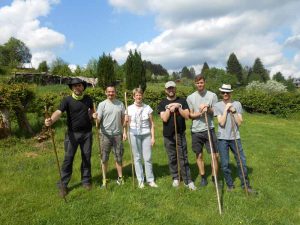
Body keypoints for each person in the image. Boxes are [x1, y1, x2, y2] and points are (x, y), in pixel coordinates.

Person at [45, 78, 94, 197]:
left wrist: (94, 115)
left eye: (79, 85)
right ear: (72, 88)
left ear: (83, 87)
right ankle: (63, 185)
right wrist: (51, 120)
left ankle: (86, 181)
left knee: (86, 158)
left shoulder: (88, 99)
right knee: (68, 159)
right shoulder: (67, 100)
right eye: (75, 86)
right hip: (72, 134)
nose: (77, 87)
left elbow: (91, 112)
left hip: (87, 134)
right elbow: (58, 112)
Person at [214, 84, 254, 192]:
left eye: (227, 92)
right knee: (225, 164)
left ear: (231, 93)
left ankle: (245, 185)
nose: (225, 94)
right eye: (223, 92)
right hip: (222, 138)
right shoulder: (217, 105)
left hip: (235, 137)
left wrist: (234, 111)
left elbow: (239, 122)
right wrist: (226, 110)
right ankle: (230, 185)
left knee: (241, 161)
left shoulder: (237, 104)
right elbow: (221, 123)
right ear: (221, 93)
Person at [157, 81, 196, 190]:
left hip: (180, 133)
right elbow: (164, 118)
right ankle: (175, 178)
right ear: (165, 90)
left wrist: (178, 108)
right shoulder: (162, 103)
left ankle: (188, 180)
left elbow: (187, 116)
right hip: (168, 135)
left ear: (175, 89)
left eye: (172, 88)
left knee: (183, 156)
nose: (171, 90)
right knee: (172, 157)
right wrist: (170, 108)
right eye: (169, 89)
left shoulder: (182, 101)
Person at [186, 74, 219, 187]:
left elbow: (215, 112)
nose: (200, 84)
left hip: (209, 129)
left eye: (201, 82)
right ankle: (203, 177)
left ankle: (215, 178)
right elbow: (190, 115)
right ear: (195, 84)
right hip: (196, 131)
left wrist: (208, 109)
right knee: (199, 156)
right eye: (198, 83)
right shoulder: (190, 97)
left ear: (204, 83)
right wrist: (200, 113)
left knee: (214, 155)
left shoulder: (212, 95)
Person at [93, 84, 126, 188]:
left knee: (118, 156)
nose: (111, 93)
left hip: (117, 135)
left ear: (115, 92)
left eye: (113, 91)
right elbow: (98, 121)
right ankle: (104, 179)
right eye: (109, 91)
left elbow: (123, 120)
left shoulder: (120, 104)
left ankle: (120, 178)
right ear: (105, 92)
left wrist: (124, 130)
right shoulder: (102, 105)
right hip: (105, 135)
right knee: (104, 157)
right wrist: (95, 117)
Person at [125, 88, 158, 189]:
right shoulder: (129, 108)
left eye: (140, 95)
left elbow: (152, 124)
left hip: (146, 134)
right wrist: (125, 122)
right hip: (133, 134)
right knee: (137, 158)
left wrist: (153, 137)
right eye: (137, 95)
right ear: (134, 97)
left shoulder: (148, 108)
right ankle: (140, 180)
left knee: (147, 158)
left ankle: (150, 180)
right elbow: (126, 124)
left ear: (142, 96)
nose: (139, 97)